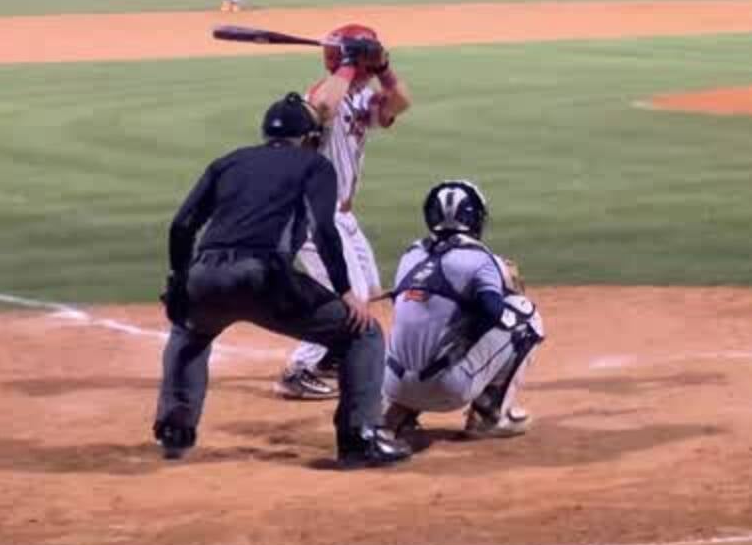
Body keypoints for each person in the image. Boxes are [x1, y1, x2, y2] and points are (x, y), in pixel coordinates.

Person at [153, 92, 410, 469]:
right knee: (362, 333)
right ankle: (359, 438)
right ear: (309, 137)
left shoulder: (227, 162)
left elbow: (182, 225)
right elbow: (324, 230)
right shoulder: (314, 165)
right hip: (264, 277)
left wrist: (179, 282)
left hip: (205, 274)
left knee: (189, 332)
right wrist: (345, 292)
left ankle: (176, 431)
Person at [274, 25, 413, 400]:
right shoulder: (320, 93)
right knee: (345, 295)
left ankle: (331, 355)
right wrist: (349, 65)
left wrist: (384, 68)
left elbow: (400, 103)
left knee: (366, 290)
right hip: (313, 216)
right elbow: (322, 108)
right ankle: (299, 368)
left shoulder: (360, 97)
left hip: (343, 216)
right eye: (365, 58)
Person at [381, 180, 545, 443]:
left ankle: (396, 413)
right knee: (525, 316)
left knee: (420, 322)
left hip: (392, 385)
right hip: (448, 389)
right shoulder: (481, 259)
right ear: (476, 218)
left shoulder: (411, 254)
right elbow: (494, 312)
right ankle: (488, 416)